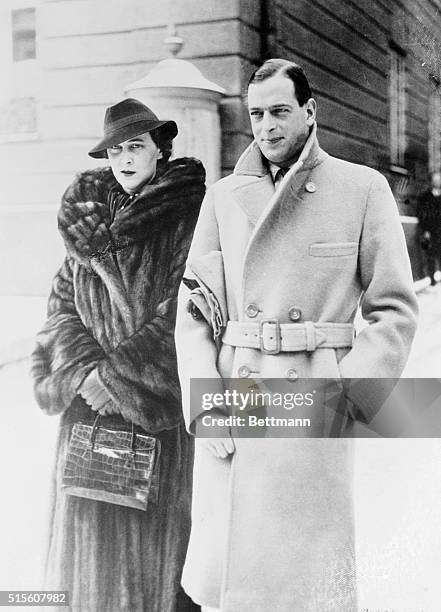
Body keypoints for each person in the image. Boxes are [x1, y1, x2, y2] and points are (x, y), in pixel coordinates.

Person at [175, 59, 418, 611]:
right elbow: (193, 312)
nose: (267, 126)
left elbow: (394, 311)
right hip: (236, 400)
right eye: (256, 114)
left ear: (309, 113)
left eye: (280, 112)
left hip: (312, 405)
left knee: (305, 585)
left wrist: (349, 398)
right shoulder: (222, 198)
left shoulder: (361, 189)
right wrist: (203, 402)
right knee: (235, 587)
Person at [32, 98, 205, 612]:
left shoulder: (188, 218)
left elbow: (190, 308)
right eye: (115, 151)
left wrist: (120, 377)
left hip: (151, 416)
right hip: (86, 416)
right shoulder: (86, 226)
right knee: (85, 569)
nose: (125, 159)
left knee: (153, 570)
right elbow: (60, 309)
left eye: (136, 146)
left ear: (159, 149)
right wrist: (86, 372)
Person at [417, 170, 441, 285]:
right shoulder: (424, 197)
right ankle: (432, 278)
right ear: (431, 182)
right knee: (430, 255)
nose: (438, 182)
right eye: (436, 180)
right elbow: (421, 214)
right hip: (430, 231)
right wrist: (425, 230)